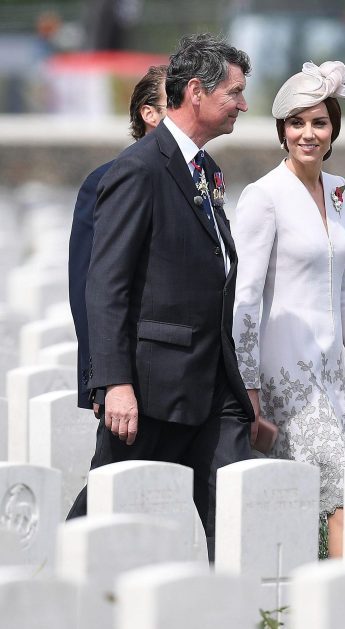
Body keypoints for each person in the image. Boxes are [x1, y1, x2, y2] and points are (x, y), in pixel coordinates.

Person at [67, 34, 254, 559]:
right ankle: (52, 589)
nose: (243, 104)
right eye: (234, 93)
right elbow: (107, 284)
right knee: (105, 514)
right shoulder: (140, 168)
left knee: (241, 514)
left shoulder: (206, 171)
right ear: (196, 91)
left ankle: (246, 609)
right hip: (153, 387)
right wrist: (115, 383)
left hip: (215, 385)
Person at [232, 61, 345, 558]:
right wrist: (248, 385)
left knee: (323, 499)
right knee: (340, 493)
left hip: (330, 376)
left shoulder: (338, 191)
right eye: (297, 123)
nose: (308, 133)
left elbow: (344, 287)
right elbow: (244, 297)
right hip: (283, 375)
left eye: (319, 122)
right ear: (281, 131)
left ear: (333, 129)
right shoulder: (264, 196)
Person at [68, 64, 166, 410]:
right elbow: (89, 286)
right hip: (132, 376)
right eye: (176, 102)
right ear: (149, 114)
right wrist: (104, 381)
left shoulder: (203, 174)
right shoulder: (107, 179)